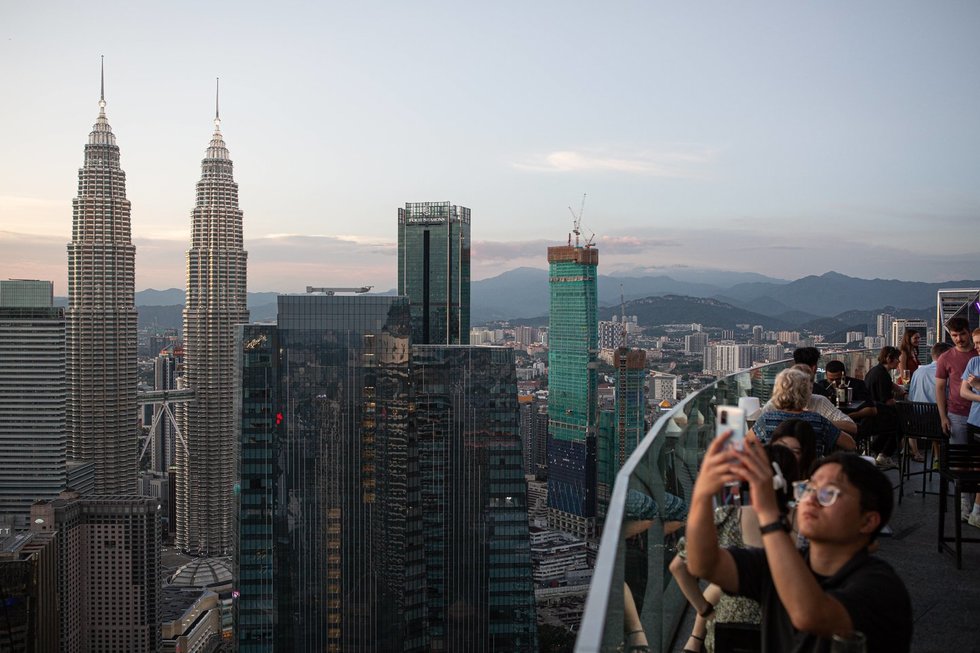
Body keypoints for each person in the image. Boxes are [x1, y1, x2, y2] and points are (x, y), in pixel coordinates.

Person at [686, 435, 913, 652]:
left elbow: (810, 614)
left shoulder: (882, 588)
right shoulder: (781, 564)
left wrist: (768, 514)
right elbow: (704, 564)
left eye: (829, 493)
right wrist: (703, 493)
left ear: (868, 521)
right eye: (809, 488)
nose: (811, 499)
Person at [753, 368, 855, 456]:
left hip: (776, 474)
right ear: (806, 392)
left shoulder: (766, 419)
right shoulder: (818, 420)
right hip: (810, 474)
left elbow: (747, 445)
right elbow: (850, 444)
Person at [936, 317, 978, 444]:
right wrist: (943, 416)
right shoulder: (945, 358)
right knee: (959, 458)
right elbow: (940, 388)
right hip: (957, 413)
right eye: (954, 335)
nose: (958, 339)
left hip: (977, 412)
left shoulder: (978, 353)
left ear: (969, 332)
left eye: (962, 334)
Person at [864, 347, 905, 469]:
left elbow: (887, 386)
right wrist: (900, 403)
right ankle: (884, 455)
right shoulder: (883, 375)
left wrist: (896, 387)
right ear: (889, 358)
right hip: (879, 416)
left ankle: (874, 449)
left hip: (870, 414)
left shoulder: (875, 371)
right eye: (897, 359)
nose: (899, 362)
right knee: (902, 425)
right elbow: (887, 401)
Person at [958, 328, 980, 528]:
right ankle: (974, 510)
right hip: (975, 421)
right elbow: (963, 392)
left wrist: (979, 386)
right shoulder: (974, 362)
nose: (978, 348)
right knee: (975, 466)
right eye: (976, 344)